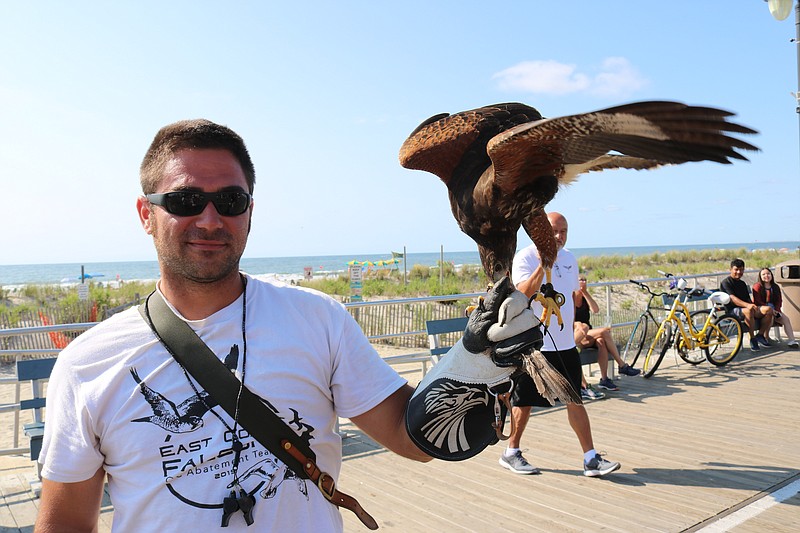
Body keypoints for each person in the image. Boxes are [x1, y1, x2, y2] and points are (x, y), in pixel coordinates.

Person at [34, 120, 452, 532]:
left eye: (231, 200)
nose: (212, 220)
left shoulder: (318, 320)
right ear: (146, 214)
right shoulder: (87, 363)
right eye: (185, 200)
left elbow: (410, 436)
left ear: (250, 209)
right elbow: (66, 522)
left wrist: (478, 362)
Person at [498, 211, 620, 478]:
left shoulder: (570, 259)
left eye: (563, 231)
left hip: (564, 345)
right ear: (538, 232)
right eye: (553, 231)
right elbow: (523, 294)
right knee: (524, 402)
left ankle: (590, 459)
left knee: (575, 399)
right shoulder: (526, 257)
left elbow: (570, 300)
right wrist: (544, 265)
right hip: (535, 346)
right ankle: (511, 452)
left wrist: (573, 330)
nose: (558, 236)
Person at [574, 275, 641, 392]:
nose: (583, 282)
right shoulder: (571, 298)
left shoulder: (585, 298)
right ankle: (621, 365)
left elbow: (595, 310)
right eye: (580, 280)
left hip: (589, 333)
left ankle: (604, 379)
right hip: (578, 335)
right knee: (604, 332)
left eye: (585, 280)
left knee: (601, 341)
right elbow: (571, 321)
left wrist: (585, 293)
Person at [720, 258, 774, 351]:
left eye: (741, 270)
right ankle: (752, 339)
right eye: (736, 269)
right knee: (748, 311)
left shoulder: (742, 283)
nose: (738, 272)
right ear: (731, 269)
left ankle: (760, 335)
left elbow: (747, 299)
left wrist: (753, 306)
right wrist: (748, 305)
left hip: (746, 308)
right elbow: (732, 298)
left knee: (768, 310)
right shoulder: (726, 282)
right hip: (733, 310)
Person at [752, 267, 799, 349]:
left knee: (786, 319)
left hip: (774, 309)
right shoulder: (757, 286)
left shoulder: (775, 286)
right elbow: (757, 301)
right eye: (763, 274)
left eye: (768, 274)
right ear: (760, 276)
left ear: (771, 275)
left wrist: (777, 310)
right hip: (761, 309)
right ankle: (766, 338)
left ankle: (792, 341)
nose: (766, 276)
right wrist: (771, 310)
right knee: (771, 317)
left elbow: (779, 301)